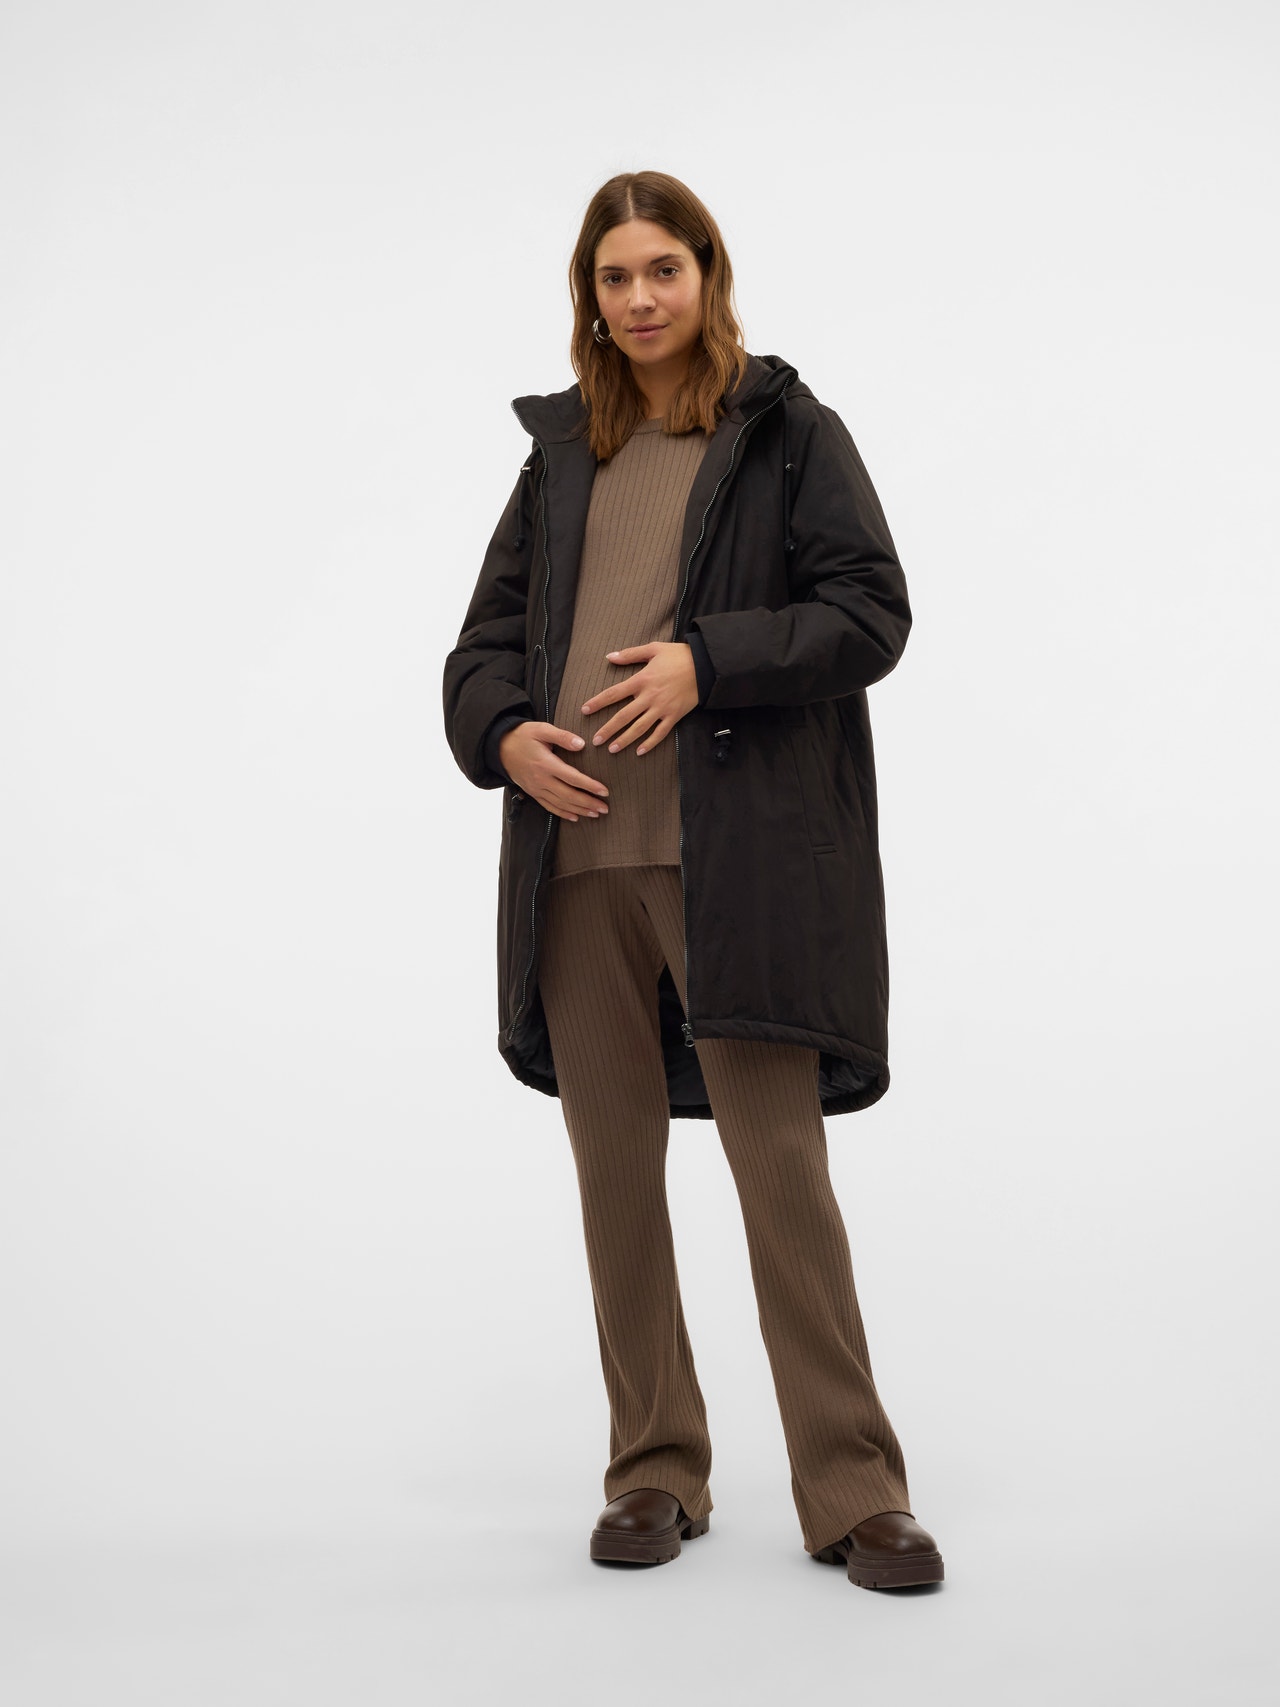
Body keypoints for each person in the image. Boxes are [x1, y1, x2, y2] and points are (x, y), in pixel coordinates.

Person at [441, 170, 944, 1591]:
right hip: (576, 870)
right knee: (615, 1177)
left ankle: (855, 1490)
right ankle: (655, 1470)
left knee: (780, 1173)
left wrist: (704, 662)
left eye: (663, 268)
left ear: (708, 274)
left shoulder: (786, 432)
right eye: (615, 277)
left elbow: (871, 612)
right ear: (589, 298)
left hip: (738, 868)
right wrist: (502, 733)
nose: (641, 297)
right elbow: (479, 647)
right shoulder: (563, 456)